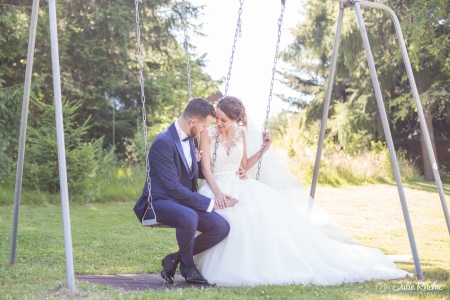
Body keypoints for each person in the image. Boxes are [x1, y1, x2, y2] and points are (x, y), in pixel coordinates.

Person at [194, 95, 411, 286]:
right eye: (218, 118)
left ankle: (266, 264)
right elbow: (205, 168)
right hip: (216, 185)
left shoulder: (240, 133)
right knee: (234, 219)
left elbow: (243, 166)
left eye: (224, 120)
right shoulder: (209, 134)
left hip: (239, 184)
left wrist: (264, 149)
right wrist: (219, 193)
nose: (220, 123)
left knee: (260, 217)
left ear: (236, 119)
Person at [133, 98, 244, 284]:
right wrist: (210, 203)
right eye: (204, 125)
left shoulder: (189, 140)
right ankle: (188, 266)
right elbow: (173, 187)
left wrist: (234, 170)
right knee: (189, 216)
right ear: (193, 122)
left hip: (182, 202)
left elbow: (195, 170)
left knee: (221, 227)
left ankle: (173, 258)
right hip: (160, 201)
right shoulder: (163, 142)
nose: (205, 130)